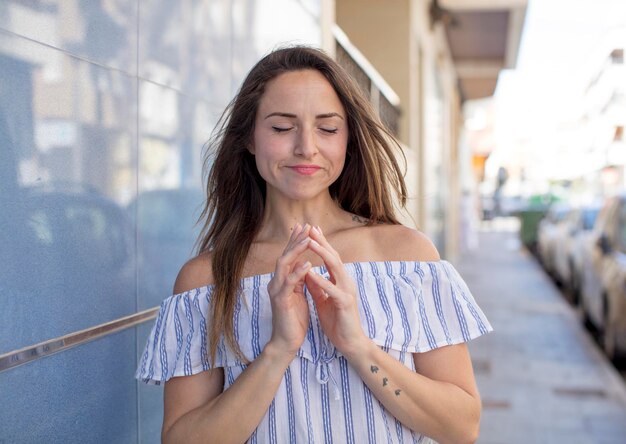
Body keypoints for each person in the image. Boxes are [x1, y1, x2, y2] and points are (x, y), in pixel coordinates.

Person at [136, 46, 492, 444]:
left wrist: (357, 346)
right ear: (249, 139)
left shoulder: (408, 258)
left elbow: (462, 427)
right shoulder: (206, 281)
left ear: (347, 140)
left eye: (327, 128)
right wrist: (279, 349)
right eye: (282, 128)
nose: (306, 147)